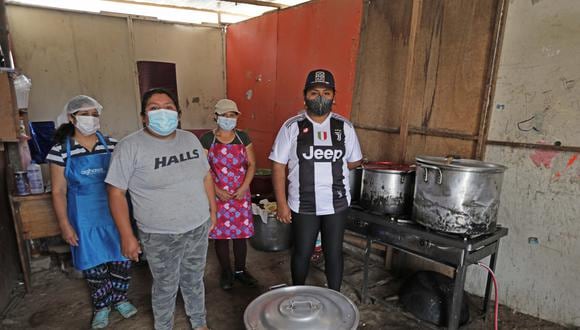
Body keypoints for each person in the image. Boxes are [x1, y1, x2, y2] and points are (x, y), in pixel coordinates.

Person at [105, 88, 217, 330]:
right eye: (154, 108)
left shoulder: (190, 139)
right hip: (159, 234)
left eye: (168, 107)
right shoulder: (130, 146)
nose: (162, 112)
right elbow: (115, 192)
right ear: (144, 116)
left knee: (194, 279)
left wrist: (212, 212)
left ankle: (199, 323)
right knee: (165, 286)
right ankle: (164, 326)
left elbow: (206, 176)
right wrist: (127, 235)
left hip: (197, 226)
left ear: (177, 113)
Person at [48, 95, 137, 329]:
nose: (90, 119)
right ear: (71, 118)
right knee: (93, 265)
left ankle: (120, 298)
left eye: (94, 114)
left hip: (114, 212)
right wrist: (65, 224)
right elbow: (57, 191)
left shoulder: (112, 144)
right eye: (84, 114)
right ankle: (101, 306)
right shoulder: (60, 151)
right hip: (84, 218)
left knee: (121, 259)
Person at [269, 69, 363, 291]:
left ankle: (335, 297)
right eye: (314, 92)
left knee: (333, 252)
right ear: (305, 96)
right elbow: (278, 166)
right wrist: (282, 204)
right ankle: (298, 294)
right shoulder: (291, 127)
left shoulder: (344, 127)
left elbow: (353, 162)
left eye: (326, 92)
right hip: (303, 204)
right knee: (302, 251)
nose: (320, 97)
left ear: (333, 96)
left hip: (336, 203)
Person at [200, 99, 257, 290]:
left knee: (240, 236)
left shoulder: (243, 138)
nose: (228, 119)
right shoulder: (207, 140)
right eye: (225, 115)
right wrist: (217, 191)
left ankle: (240, 271)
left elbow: (252, 165)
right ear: (216, 117)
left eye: (232, 115)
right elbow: (202, 169)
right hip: (217, 194)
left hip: (240, 194)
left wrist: (243, 188)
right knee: (220, 236)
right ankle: (226, 271)